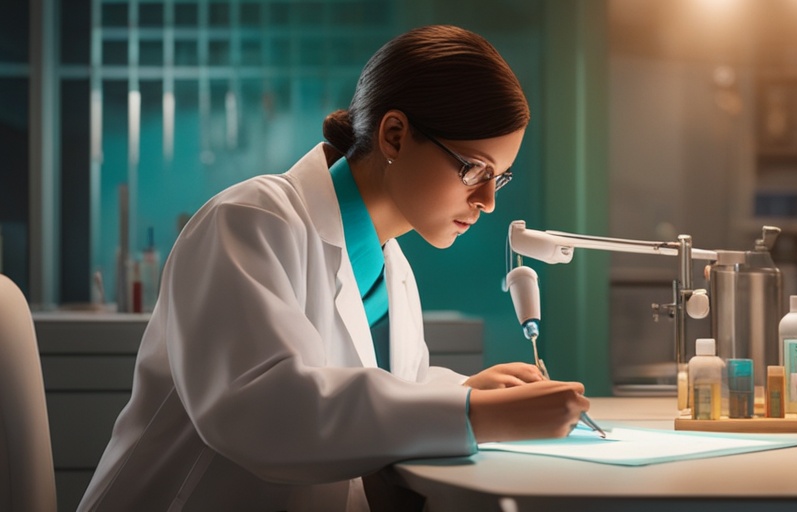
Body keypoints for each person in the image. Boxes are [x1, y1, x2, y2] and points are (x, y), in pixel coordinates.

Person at [78, 25, 590, 511]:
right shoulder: (249, 221)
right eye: (473, 168)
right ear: (394, 135)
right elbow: (261, 413)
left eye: (497, 178)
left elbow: (370, 385)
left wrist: (462, 390)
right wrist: (474, 415)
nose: (486, 201)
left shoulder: (393, 265)